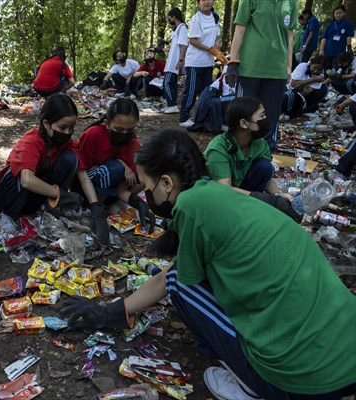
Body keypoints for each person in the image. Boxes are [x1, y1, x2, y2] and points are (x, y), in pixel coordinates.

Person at [60, 129, 356, 400]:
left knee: (180, 284)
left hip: (296, 381)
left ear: (166, 183)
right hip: (348, 358)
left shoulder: (190, 206)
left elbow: (170, 279)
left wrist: (109, 312)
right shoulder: (226, 196)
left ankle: (249, 384)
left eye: (147, 188)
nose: (145, 196)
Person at [0, 94, 108, 241]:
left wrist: (95, 206)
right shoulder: (31, 142)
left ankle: (48, 210)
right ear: (46, 123)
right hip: (6, 196)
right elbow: (26, 181)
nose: (67, 133)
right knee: (21, 173)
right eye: (63, 127)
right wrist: (60, 194)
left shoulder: (63, 143)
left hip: (33, 196)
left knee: (70, 158)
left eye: (71, 128)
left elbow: (83, 176)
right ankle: (9, 215)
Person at [203, 97, 296, 220]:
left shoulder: (259, 143)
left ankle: (248, 208)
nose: (265, 119)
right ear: (244, 123)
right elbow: (224, 190)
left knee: (265, 167)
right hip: (217, 198)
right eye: (261, 116)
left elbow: (266, 177)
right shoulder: (218, 149)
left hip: (241, 190)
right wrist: (259, 197)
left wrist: (279, 195)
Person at [227, 0, 299, 151]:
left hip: (277, 69)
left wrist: (289, 66)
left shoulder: (291, 2)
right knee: (243, 113)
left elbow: (290, 35)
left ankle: (265, 153)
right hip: (250, 67)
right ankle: (238, 151)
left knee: (270, 117)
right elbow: (240, 29)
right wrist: (233, 61)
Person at [76, 98, 153, 231]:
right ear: (107, 124)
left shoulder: (133, 146)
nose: (124, 135)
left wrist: (138, 203)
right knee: (113, 169)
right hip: (85, 188)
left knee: (139, 180)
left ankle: (106, 206)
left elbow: (123, 187)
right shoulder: (92, 135)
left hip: (113, 192)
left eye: (129, 131)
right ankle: (95, 210)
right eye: (119, 129)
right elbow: (83, 172)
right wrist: (119, 163)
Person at [179, 0, 221, 127]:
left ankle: (203, 118)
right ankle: (184, 118)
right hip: (195, 62)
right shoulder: (196, 18)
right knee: (192, 90)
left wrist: (217, 44)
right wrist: (209, 49)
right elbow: (192, 40)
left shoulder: (215, 17)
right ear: (198, 2)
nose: (206, 2)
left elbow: (217, 36)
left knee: (206, 92)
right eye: (202, 0)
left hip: (208, 62)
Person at [187, 66, 235, 133]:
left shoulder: (228, 67)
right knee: (235, 98)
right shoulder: (228, 69)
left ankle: (215, 124)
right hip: (212, 97)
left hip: (212, 95)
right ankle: (219, 124)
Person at [163, 7, 189, 114]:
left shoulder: (182, 27)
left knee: (167, 83)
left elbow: (184, 45)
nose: (169, 20)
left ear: (174, 17)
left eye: (170, 18)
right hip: (172, 61)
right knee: (172, 83)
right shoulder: (177, 29)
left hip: (175, 61)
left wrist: (181, 59)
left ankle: (172, 105)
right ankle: (172, 105)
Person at [319, 5, 354, 71]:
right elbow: (324, 38)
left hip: (339, 52)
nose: (338, 15)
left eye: (340, 13)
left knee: (336, 70)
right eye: (336, 13)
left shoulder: (348, 23)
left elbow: (348, 36)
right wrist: (321, 50)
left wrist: (349, 48)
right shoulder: (330, 25)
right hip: (327, 51)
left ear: (344, 13)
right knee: (326, 70)